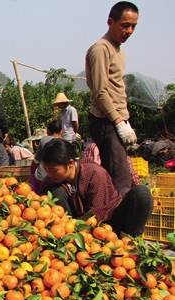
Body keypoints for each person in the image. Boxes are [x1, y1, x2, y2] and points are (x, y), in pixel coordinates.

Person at [39, 139, 152, 237]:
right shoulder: (52, 179)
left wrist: (74, 224)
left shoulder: (93, 173)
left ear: (70, 163)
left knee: (142, 194)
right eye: (46, 169)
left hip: (110, 220)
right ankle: (67, 237)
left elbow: (97, 212)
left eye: (53, 170)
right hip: (77, 228)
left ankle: (127, 238)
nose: (49, 174)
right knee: (55, 192)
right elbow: (42, 199)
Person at [85, 1, 139, 197]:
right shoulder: (101, 49)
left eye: (133, 26)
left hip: (116, 119)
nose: (129, 30)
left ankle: (111, 221)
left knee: (118, 174)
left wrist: (124, 121)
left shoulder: (118, 49)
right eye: (125, 25)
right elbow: (100, 91)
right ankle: (115, 225)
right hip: (107, 121)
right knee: (120, 179)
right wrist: (118, 122)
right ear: (110, 22)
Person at [31, 121, 62, 192]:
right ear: (61, 131)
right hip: (59, 178)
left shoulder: (44, 139)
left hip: (42, 178)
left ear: (48, 131)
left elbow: (37, 159)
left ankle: (35, 191)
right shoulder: (64, 141)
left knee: (33, 164)